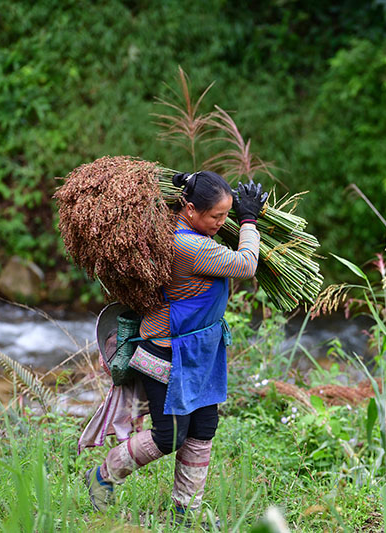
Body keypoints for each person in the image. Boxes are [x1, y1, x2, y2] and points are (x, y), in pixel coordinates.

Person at [80, 170, 267, 526]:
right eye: (217, 217)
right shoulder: (190, 246)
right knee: (170, 435)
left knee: (204, 427)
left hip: (200, 349)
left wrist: (190, 178)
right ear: (191, 209)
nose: (220, 223)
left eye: (226, 216)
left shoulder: (184, 228)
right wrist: (247, 220)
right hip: (167, 350)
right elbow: (246, 264)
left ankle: (185, 513)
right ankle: (102, 476)